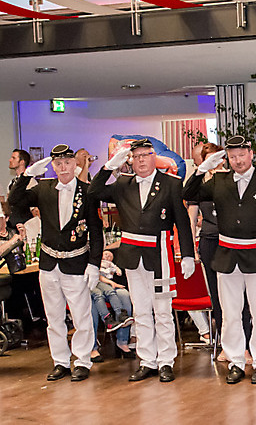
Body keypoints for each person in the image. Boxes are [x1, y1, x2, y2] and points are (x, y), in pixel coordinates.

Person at [89, 138, 196, 383]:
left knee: (163, 311)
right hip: (132, 255)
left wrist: (188, 254)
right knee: (141, 311)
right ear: (131, 160)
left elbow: (182, 222)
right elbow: (94, 192)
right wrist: (109, 167)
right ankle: (147, 360)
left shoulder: (170, 184)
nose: (141, 161)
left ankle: (166, 361)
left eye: (145, 155)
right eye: (136, 157)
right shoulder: (123, 184)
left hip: (159, 255)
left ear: (153, 157)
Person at [183, 136, 256, 385]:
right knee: (230, 313)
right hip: (227, 255)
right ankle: (236, 361)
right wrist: (202, 169)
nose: (238, 161)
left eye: (242, 155)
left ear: (251, 154)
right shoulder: (219, 181)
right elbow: (188, 193)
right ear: (227, 158)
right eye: (232, 157)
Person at [8, 144, 103, 382]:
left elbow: (96, 230)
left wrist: (94, 264)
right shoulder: (44, 188)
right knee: (54, 318)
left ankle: (82, 361)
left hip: (76, 262)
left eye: (67, 163)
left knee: (81, 317)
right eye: (58, 164)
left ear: (75, 164)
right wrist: (27, 175)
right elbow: (15, 201)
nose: (63, 168)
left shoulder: (87, 191)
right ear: (53, 166)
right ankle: (60, 361)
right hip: (49, 263)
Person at [90, 250, 135, 362]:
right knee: (93, 302)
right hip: (92, 284)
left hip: (109, 284)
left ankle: (122, 341)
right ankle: (92, 347)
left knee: (124, 295)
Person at [7, 148, 35, 227]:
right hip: (13, 225)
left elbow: (35, 210)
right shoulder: (12, 182)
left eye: (13, 158)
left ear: (22, 162)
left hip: (25, 226)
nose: (10, 160)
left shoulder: (30, 182)